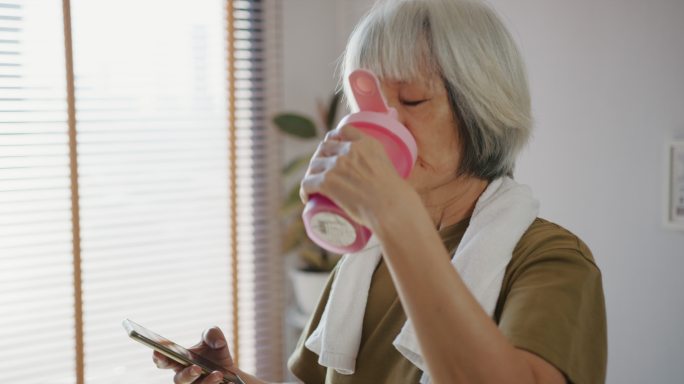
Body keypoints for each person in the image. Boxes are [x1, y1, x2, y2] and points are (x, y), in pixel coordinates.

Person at [153, 0, 607, 383]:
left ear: (482, 110)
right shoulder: (366, 257)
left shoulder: (552, 261)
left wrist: (395, 216)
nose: (384, 123)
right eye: (369, 102)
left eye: (411, 100)